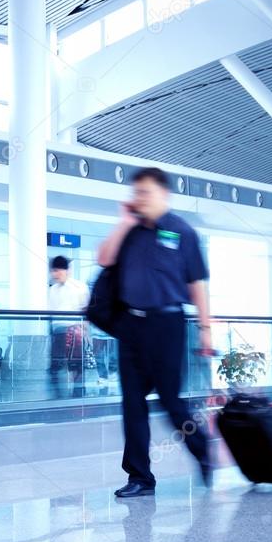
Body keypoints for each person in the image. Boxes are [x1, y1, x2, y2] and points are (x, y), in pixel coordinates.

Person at [96, 167, 212, 498]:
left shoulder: (183, 233)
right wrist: (123, 222)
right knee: (132, 403)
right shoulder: (131, 231)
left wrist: (206, 330)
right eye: (136, 193)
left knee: (169, 400)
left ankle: (203, 452)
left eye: (145, 192)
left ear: (164, 194)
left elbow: (197, 285)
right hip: (130, 324)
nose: (139, 199)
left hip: (167, 325)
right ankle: (140, 477)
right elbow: (104, 259)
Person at [47, 256, 89, 398]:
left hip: (74, 330)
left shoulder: (79, 287)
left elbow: (85, 310)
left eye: (58, 271)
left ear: (66, 271)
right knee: (56, 366)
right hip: (58, 331)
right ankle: (59, 397)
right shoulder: (52, 290)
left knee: (76, 365)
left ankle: (77, 396)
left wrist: (85, 332)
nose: (55, 274)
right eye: (53, 271)